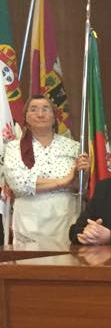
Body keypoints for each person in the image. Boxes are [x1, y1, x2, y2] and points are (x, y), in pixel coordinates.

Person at [3, 94, 84, 248]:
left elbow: (80, 185)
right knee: (31, 261)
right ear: (26, 117)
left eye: (46, 109)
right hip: (29, 221)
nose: (40, 114)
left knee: (66, 261)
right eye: (33, 109)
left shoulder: (73, 147)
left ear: (54, 116)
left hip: (65, 218)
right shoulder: (14, 148)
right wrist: (64, 181)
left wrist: (81, 174)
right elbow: (19, 184)